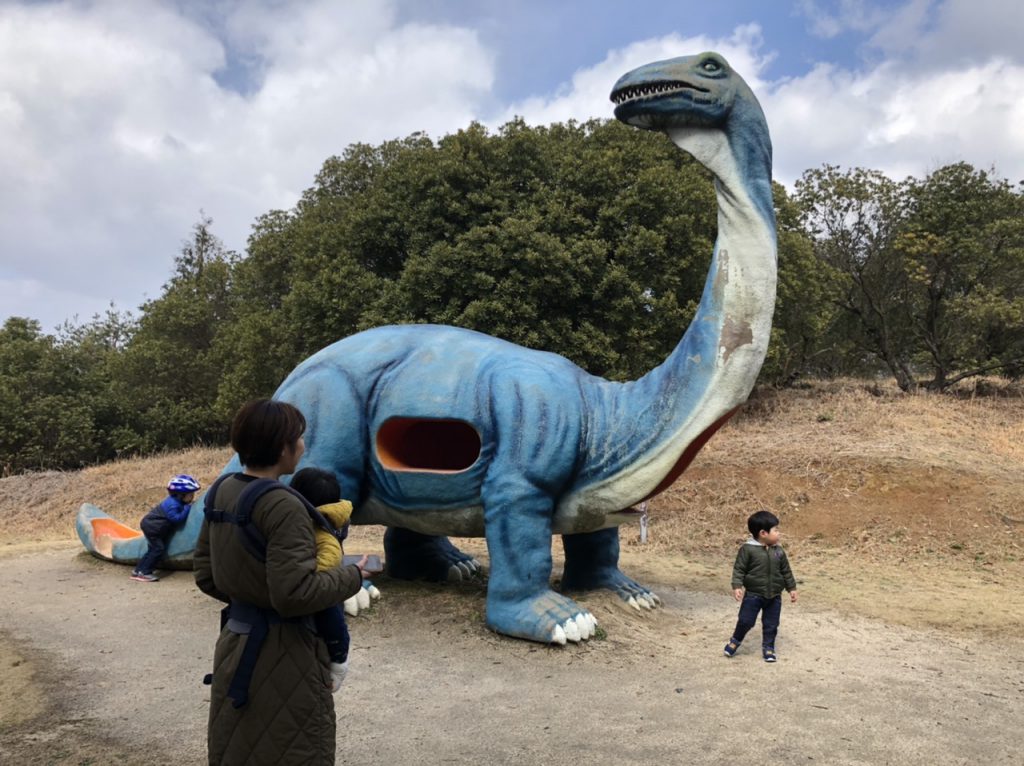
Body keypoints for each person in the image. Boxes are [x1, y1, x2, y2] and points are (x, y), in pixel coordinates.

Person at [195, 399, 372, 766]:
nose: (303, 446)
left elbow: (206, 575)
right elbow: (294, 594)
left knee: (240, 750)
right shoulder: (284, 505)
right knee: (295, 749)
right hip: (285, 653)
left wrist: (251, 598)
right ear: (282, 447)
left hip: (235, 644)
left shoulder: (221, 491)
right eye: (299, 438)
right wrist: (354, 576)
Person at [288, 466, 355, 692]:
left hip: (323, 591)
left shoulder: (322, 534)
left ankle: (339, 659)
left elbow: (329, 562)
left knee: (331, 617)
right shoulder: (324, 523)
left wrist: (306, 573)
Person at [723, 510, 798, 662]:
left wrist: (792, 588)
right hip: (753, 595)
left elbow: (786, 571)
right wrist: (737, 586)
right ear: (763, 533)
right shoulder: (748, 550)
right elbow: (739, 569)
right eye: (776, 530)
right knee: (746, 621)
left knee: (771, 624)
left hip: (774, 596)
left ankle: (769, 648)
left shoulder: (779, 551)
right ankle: (735, 641)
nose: (779, 533)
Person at [131, 474, 200, 582]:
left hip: (153, 526)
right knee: (158, 549)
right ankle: (144, 573)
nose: (193, 496)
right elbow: (176, 519)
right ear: (180, 495)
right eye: (191, 494)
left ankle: (138, 570)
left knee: (152, 549)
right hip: (152, 528)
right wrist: (187, 508)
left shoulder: (176, 502)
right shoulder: (173, 505)